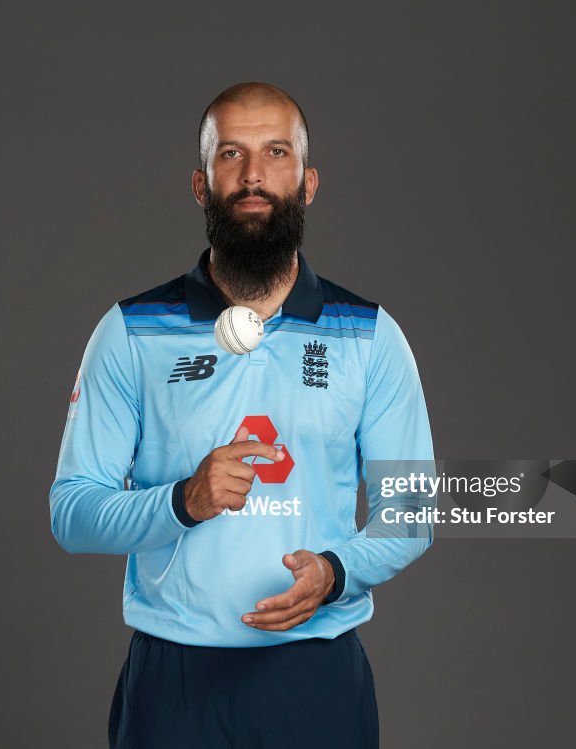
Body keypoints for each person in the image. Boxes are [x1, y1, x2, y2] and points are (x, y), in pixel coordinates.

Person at [49, 82, 435, 748]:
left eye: (275, 152)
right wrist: (180, 501)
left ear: (308, 182)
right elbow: (71, 513)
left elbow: (415, 511)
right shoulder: (132, 331)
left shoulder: (369, 336)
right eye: (231, 153)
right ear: (201, 184)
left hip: (315, 674)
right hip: (174, 679)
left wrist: (336, 572)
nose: (253, 174)